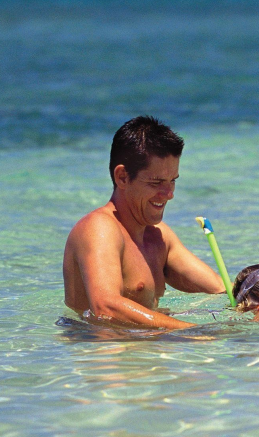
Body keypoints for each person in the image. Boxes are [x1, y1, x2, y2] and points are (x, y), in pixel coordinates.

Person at [63, 116, 225, 330]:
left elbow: (221, 290)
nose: (168, 194)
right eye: (156, 182)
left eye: (173, 181)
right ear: (122, 177)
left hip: (147, 353)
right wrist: (192, 331)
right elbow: (106, 308)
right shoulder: (99, 229)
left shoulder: (158, 236)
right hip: (100, 354)